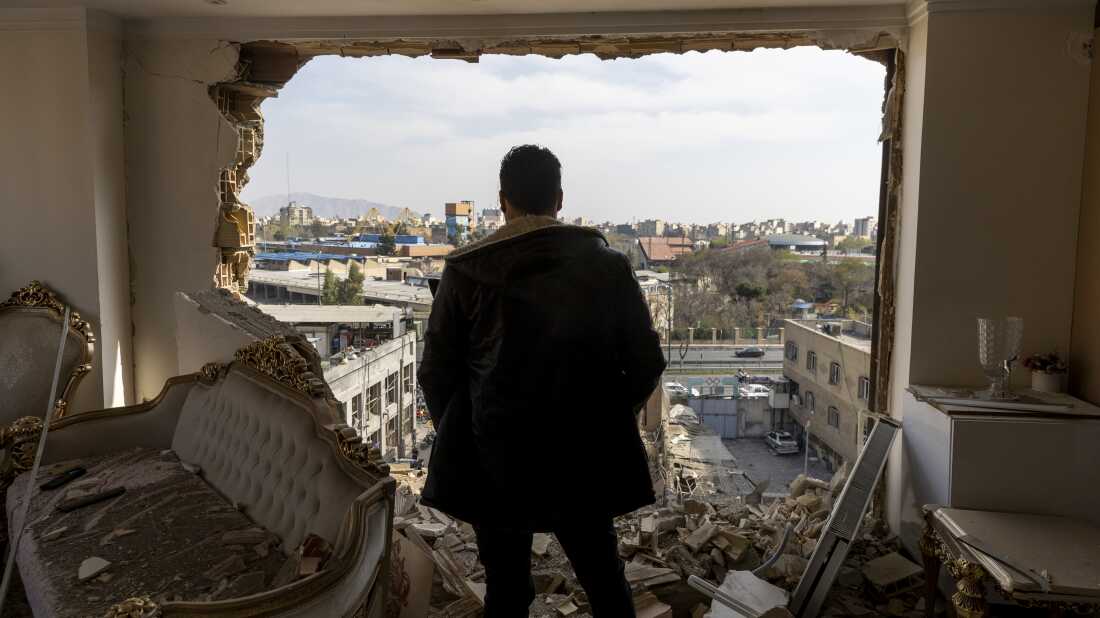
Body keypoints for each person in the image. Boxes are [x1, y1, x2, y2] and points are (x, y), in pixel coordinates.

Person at [418, 144, 666, 617]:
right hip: (582, 454)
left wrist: (467, 431)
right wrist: (609, 417)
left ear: (502, 200)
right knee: (603, 580)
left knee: (507, 591)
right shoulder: (606, 265)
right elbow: (645, 361)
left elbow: (437, 373)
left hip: (495, 459)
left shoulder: (466, 271)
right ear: (559, 199)